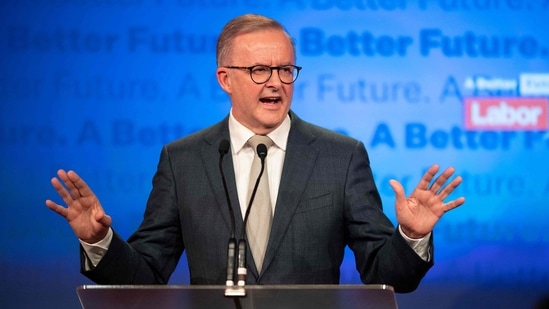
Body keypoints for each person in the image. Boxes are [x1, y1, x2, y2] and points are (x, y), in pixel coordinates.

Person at [45, 13, 465, 293]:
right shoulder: (183, 160)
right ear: (225, 79)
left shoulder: (341, 156)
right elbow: (147, 277)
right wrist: (100, 240)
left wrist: (411, 235)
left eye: (285, 69)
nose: (276, 83)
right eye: (260, 70)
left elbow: (384, 275)